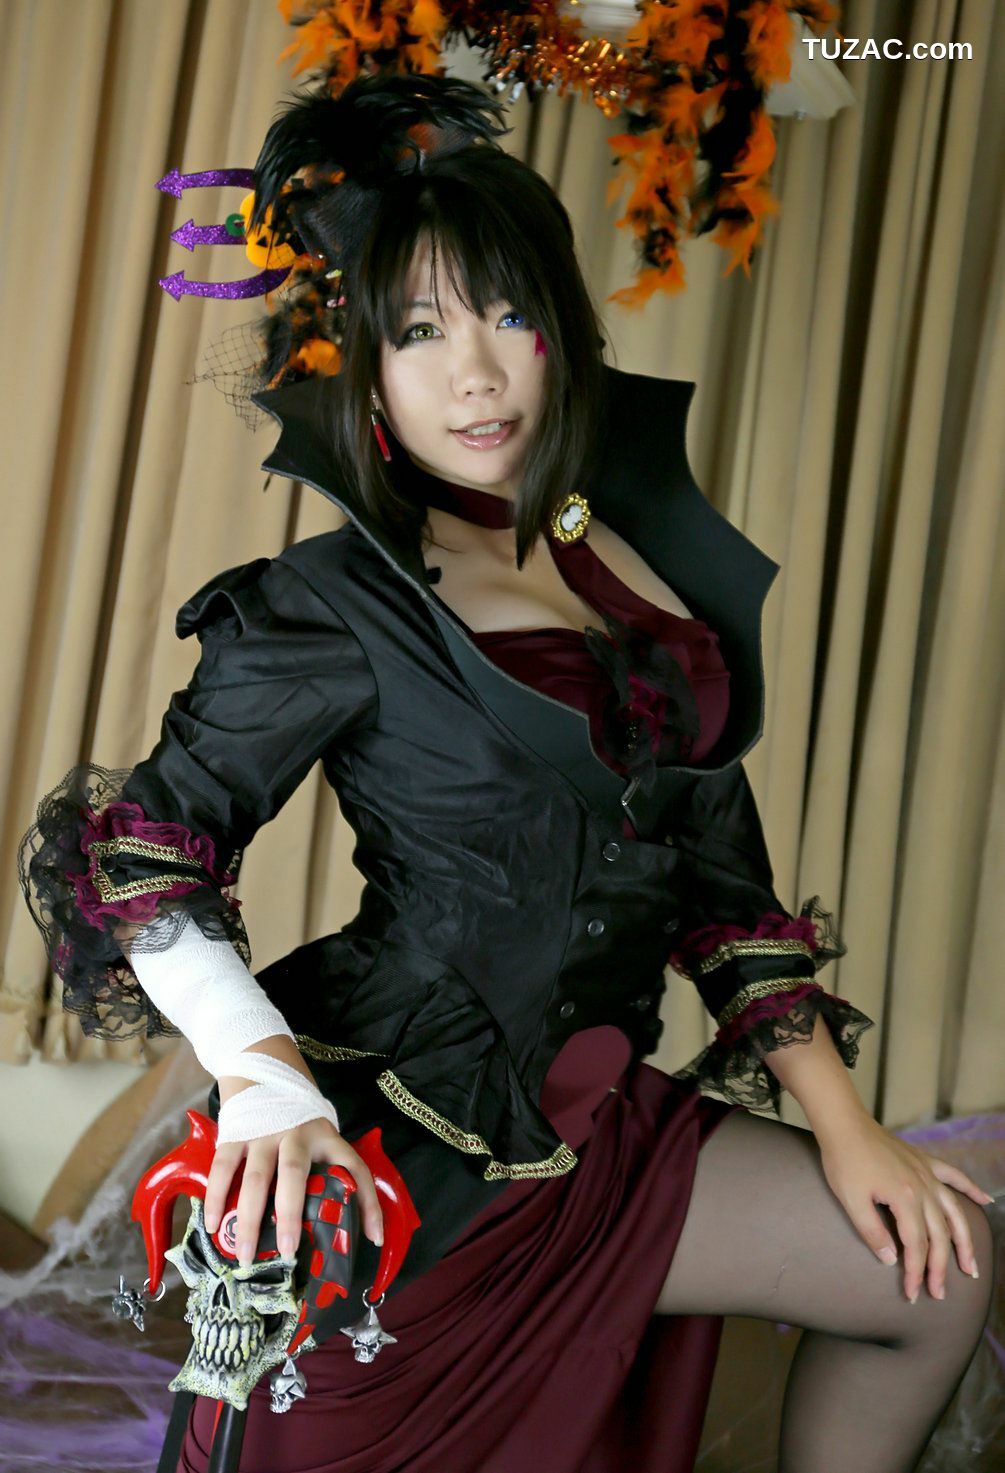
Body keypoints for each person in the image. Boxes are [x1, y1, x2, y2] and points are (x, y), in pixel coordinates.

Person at [19, 72, 995, 1473]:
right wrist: (265, 1080)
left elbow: (728, 900)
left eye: (508, 315)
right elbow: (146, 854)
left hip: (606, 1133)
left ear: (563, 334)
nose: (474, 373)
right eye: (418, 331)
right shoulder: (328, 604)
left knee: (933, 1278)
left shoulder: (644, 579)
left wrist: (850, 1133)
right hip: (399, 1140)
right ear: (359, 366)